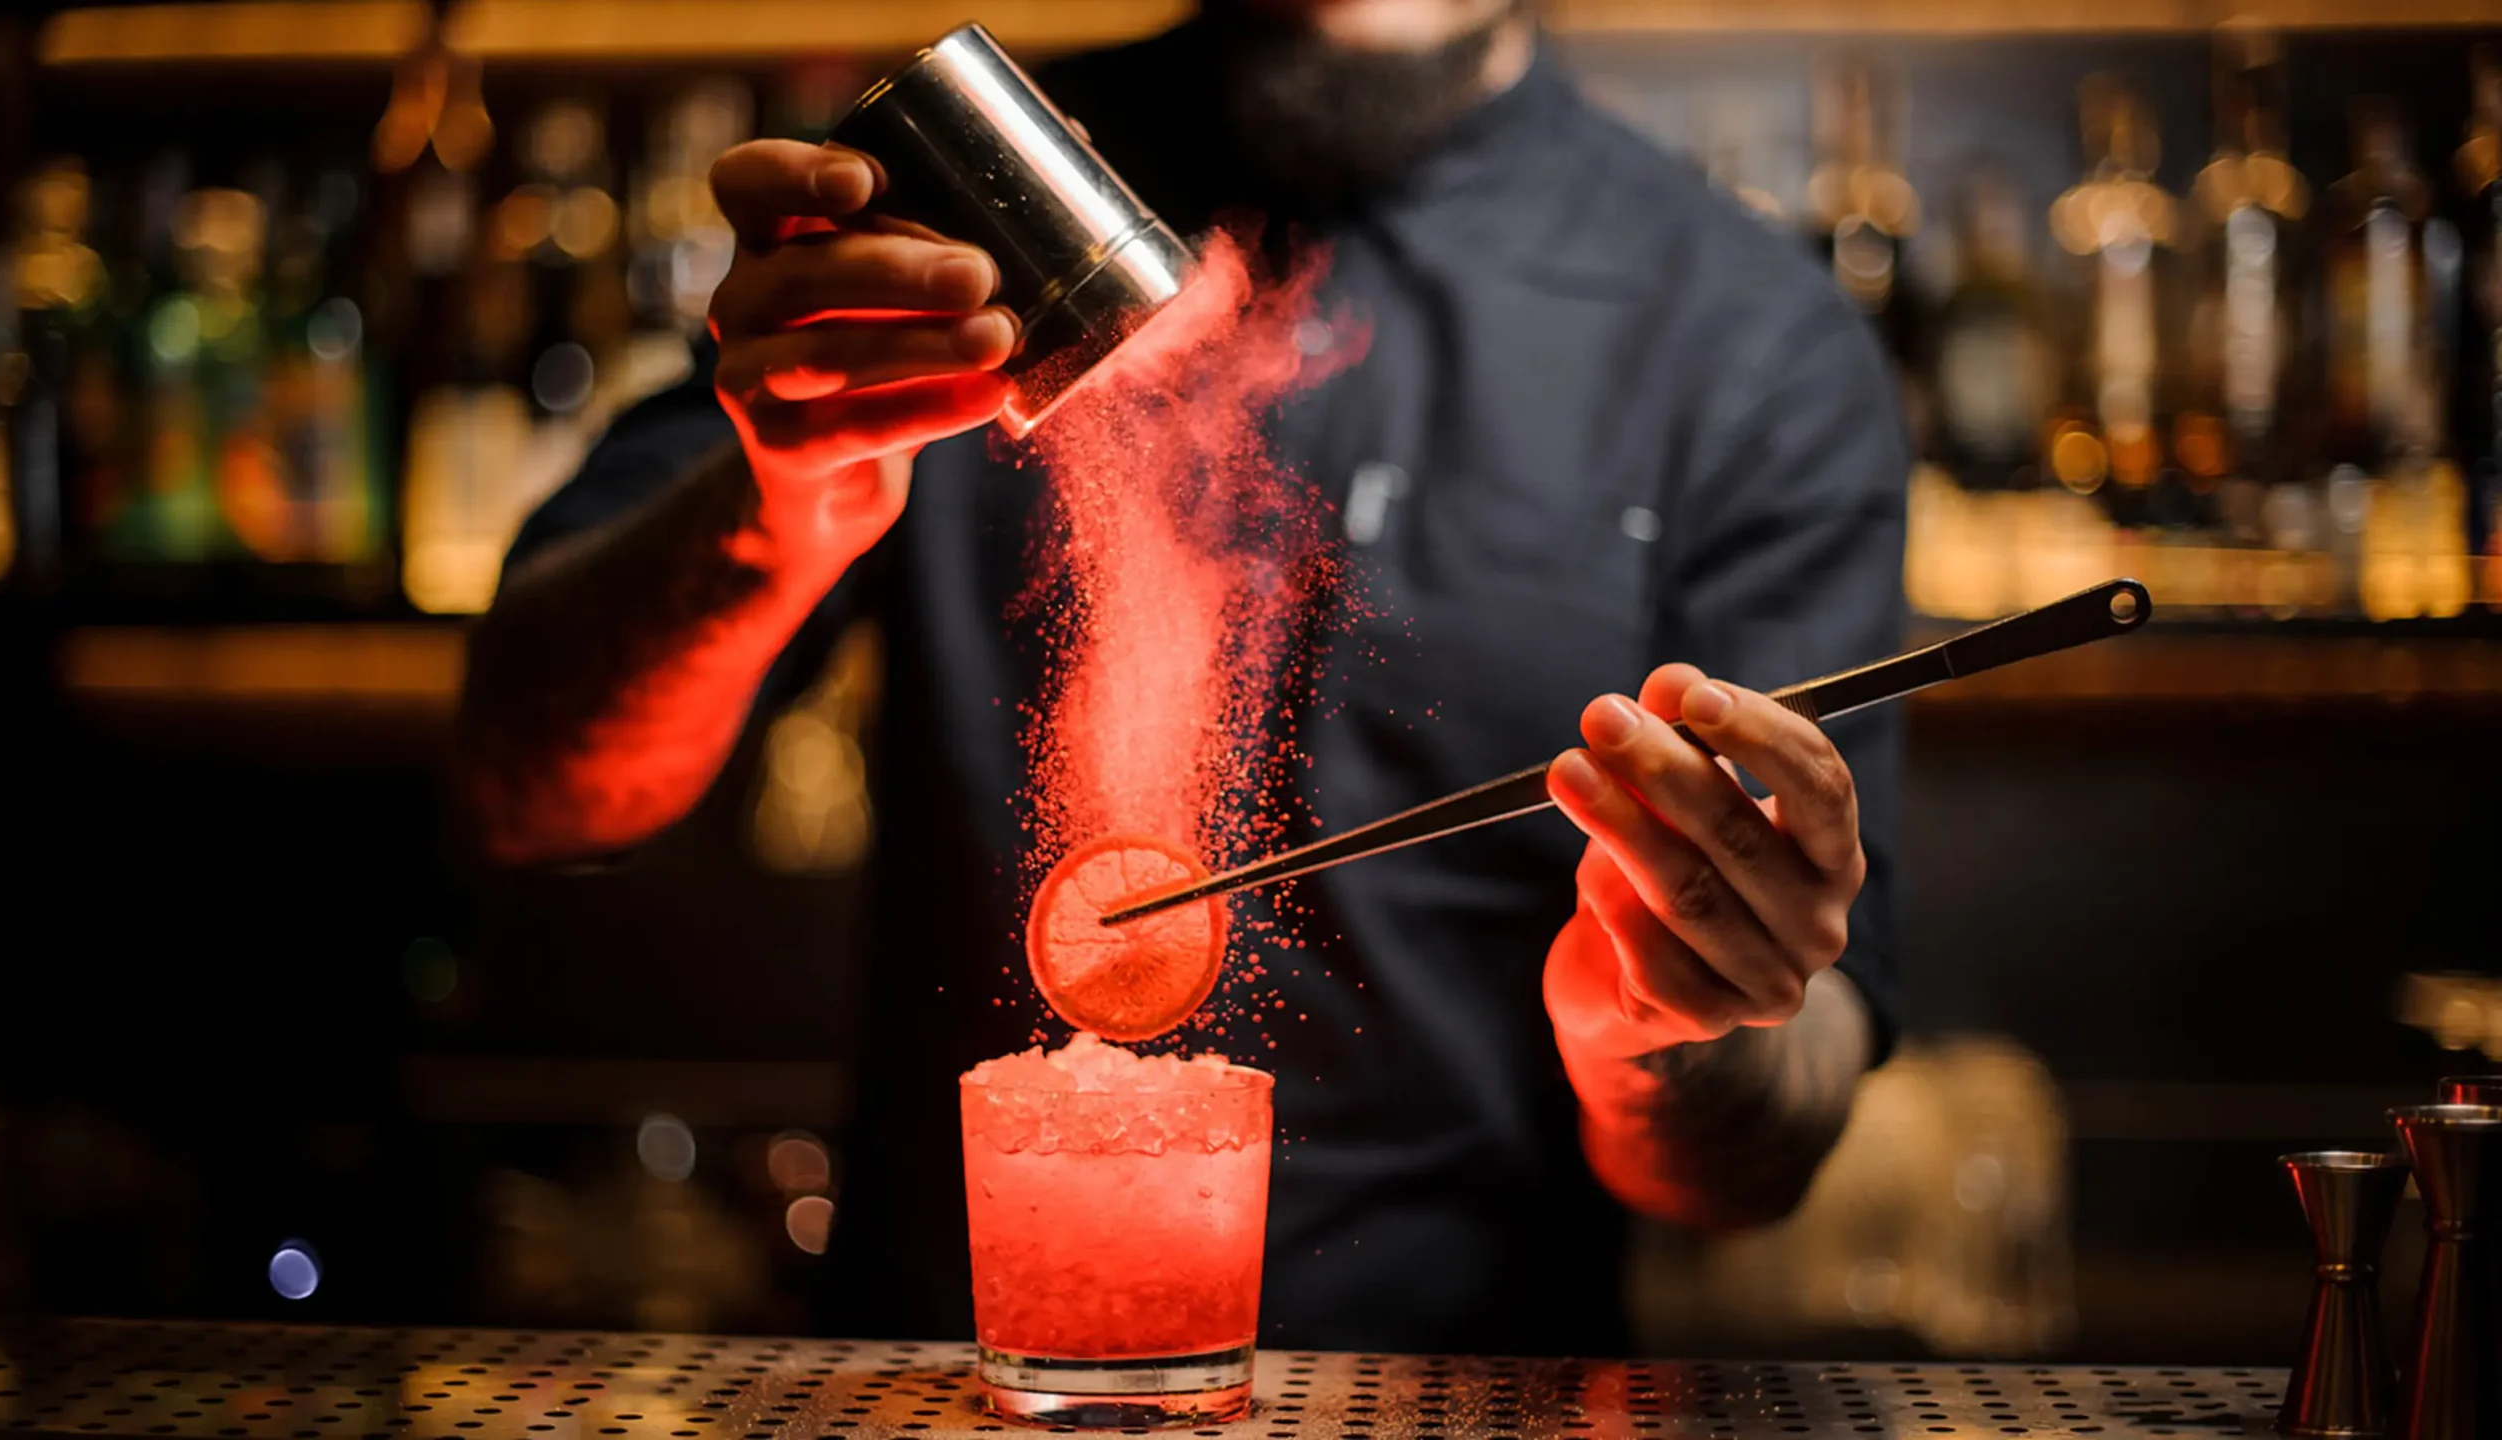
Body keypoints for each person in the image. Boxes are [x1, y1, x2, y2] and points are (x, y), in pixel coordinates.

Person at [457, 0, 1906, 1355]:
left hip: (1463, 1387)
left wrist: (1654, 1027)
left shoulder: (1745, 338)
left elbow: (1758, 1152)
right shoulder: (980, 189)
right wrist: (771, 510)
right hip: (950, 1380)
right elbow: (533, 789)